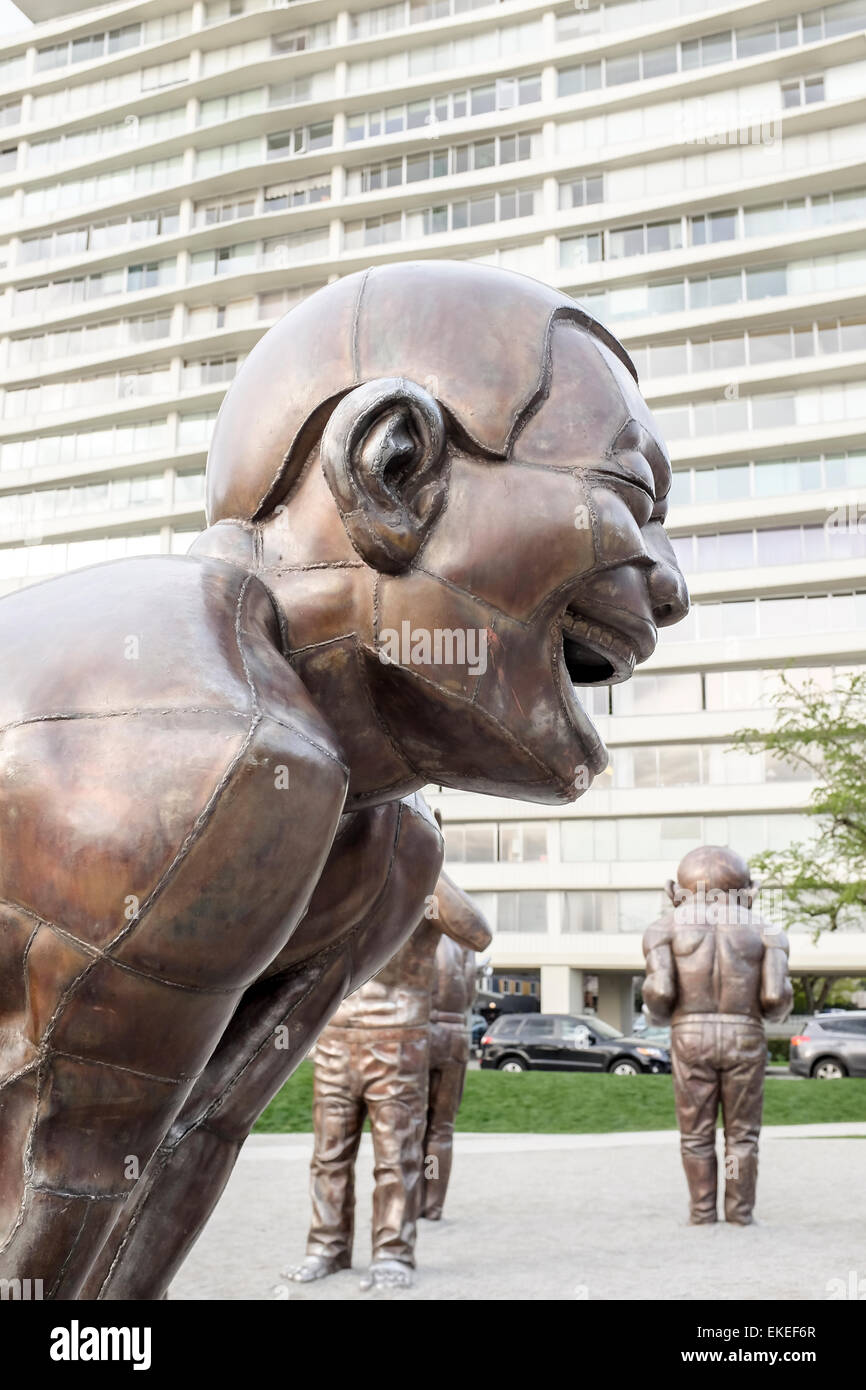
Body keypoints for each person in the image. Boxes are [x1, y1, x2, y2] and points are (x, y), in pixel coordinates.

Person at [0, 261, 688, 1297]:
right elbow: (53, 1198)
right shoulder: (202, 734)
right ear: (392, 464)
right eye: (630, 493)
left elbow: (187, 1138)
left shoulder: (384, 847)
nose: (669, 586)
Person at [288, 872, 491, 1290]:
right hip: (334, 1037)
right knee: (328, 1156)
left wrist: (430, 861)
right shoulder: (337, 870)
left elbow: (477, 933)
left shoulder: (419, 877)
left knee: (396, 1157)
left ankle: (393, 1254)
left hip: (398, 1037)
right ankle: (326, 1248)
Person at [642, 846, 792, 1225]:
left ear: (674, 892)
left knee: (696, 1134)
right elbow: (774, 1000)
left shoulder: (664, 928)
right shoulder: (767, 931)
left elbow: (660, 994)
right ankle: (739, 1213)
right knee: (741, 1136)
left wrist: (658, 1015)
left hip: (690, 1034)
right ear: (751, 890)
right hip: (744, 1034)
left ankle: (703, 1211)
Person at [421, 929, 488, 1221]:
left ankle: (410, 1199)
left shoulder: (414, 930)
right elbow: (471, 993)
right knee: (441, 1128)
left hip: (418, 1033)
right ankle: (432, 1205)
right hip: (455, 1034)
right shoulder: (463, 939)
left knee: (410, 1126)